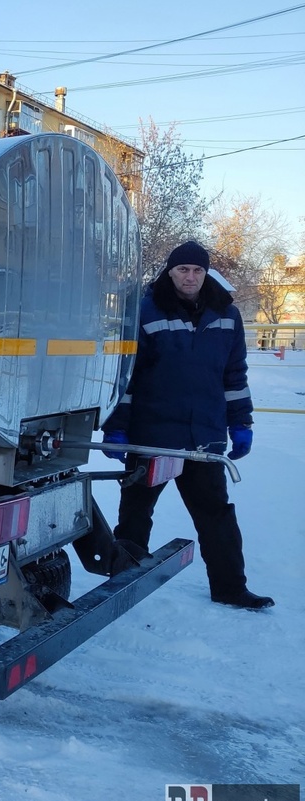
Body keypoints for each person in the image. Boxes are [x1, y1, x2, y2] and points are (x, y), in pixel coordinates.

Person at [101, 241, 273, 610]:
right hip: (153, 437)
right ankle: (122, 584)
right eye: (183, 270)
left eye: (197, 270)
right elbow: (125, 378)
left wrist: (241, 423)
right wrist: (117, 428)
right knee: (136, 511)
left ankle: (231, 588)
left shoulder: (226, 314)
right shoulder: (146, 312)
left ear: (205, 273)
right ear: (170, 271)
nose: (190, 277)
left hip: (203, 439)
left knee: (216, 515)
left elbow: (234, 375)